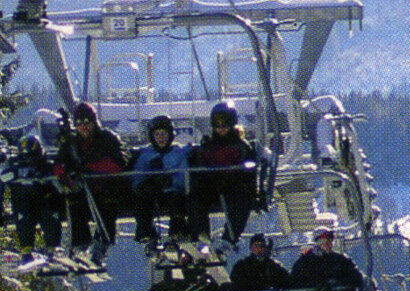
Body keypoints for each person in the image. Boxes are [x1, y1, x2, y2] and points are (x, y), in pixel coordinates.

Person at [53, 101, 127, 262]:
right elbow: (59, 163)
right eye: (79, 123)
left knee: (106, 204)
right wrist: (66, 175)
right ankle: (80, 244)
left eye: (87, 122)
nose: (83, 127)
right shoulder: (71, 143)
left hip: (106, 187)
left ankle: (102, 244)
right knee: (74, 201)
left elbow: (118, 163)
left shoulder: (107, 138)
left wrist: (91, 168)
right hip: (83, 189)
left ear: (94, 122)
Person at [188, 101, 257, 246]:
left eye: (224, 125)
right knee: (196, 197)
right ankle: (201, 235)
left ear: (232, 125)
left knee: (241, 200)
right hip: (213, 186)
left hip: (234, 186)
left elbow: (248, 170)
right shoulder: (208, 145)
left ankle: (229, 238)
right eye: (217, 125)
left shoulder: (241, 146)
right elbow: (200, 166)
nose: (221, 129)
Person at [130, 115, 190, 245]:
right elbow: (137, 176)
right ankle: (146, 232)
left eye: (164, 134)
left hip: (172, 191)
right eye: (157, 135)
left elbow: (184, 175)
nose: (161, 138)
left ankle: (177, 231)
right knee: (142, 201)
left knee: (176, 200)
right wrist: (146, 182)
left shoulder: (177, 153)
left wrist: (170, 180)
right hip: (152, 192)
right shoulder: (146, 155)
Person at [4, 133, 62, 257]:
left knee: (50, 216)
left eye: (32, 156)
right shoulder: (14, 163)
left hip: (45, 201)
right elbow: (3, 176)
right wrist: (15, 174)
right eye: (26, 157)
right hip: (23, 202)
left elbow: (59, 175)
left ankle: (53, 249)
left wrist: (45, 176)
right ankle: (26, 252)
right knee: (24, 219)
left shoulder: (48, 162)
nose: (29, 161)